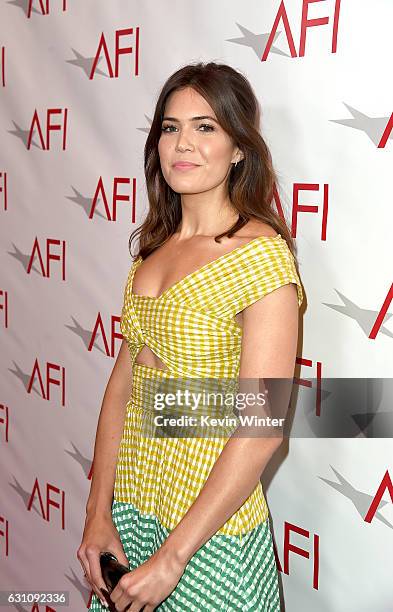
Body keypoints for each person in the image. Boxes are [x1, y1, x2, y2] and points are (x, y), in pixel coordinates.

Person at [77, 61, 304, 611]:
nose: (183, 143)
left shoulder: (261, 257)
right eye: (171, 126)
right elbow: (122, 394)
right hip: (132, 510)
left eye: (206, 127)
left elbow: (261, 427)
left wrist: (174, 557)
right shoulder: (152, 250)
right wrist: (97, 515)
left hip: (207, 530)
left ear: (240, 148)